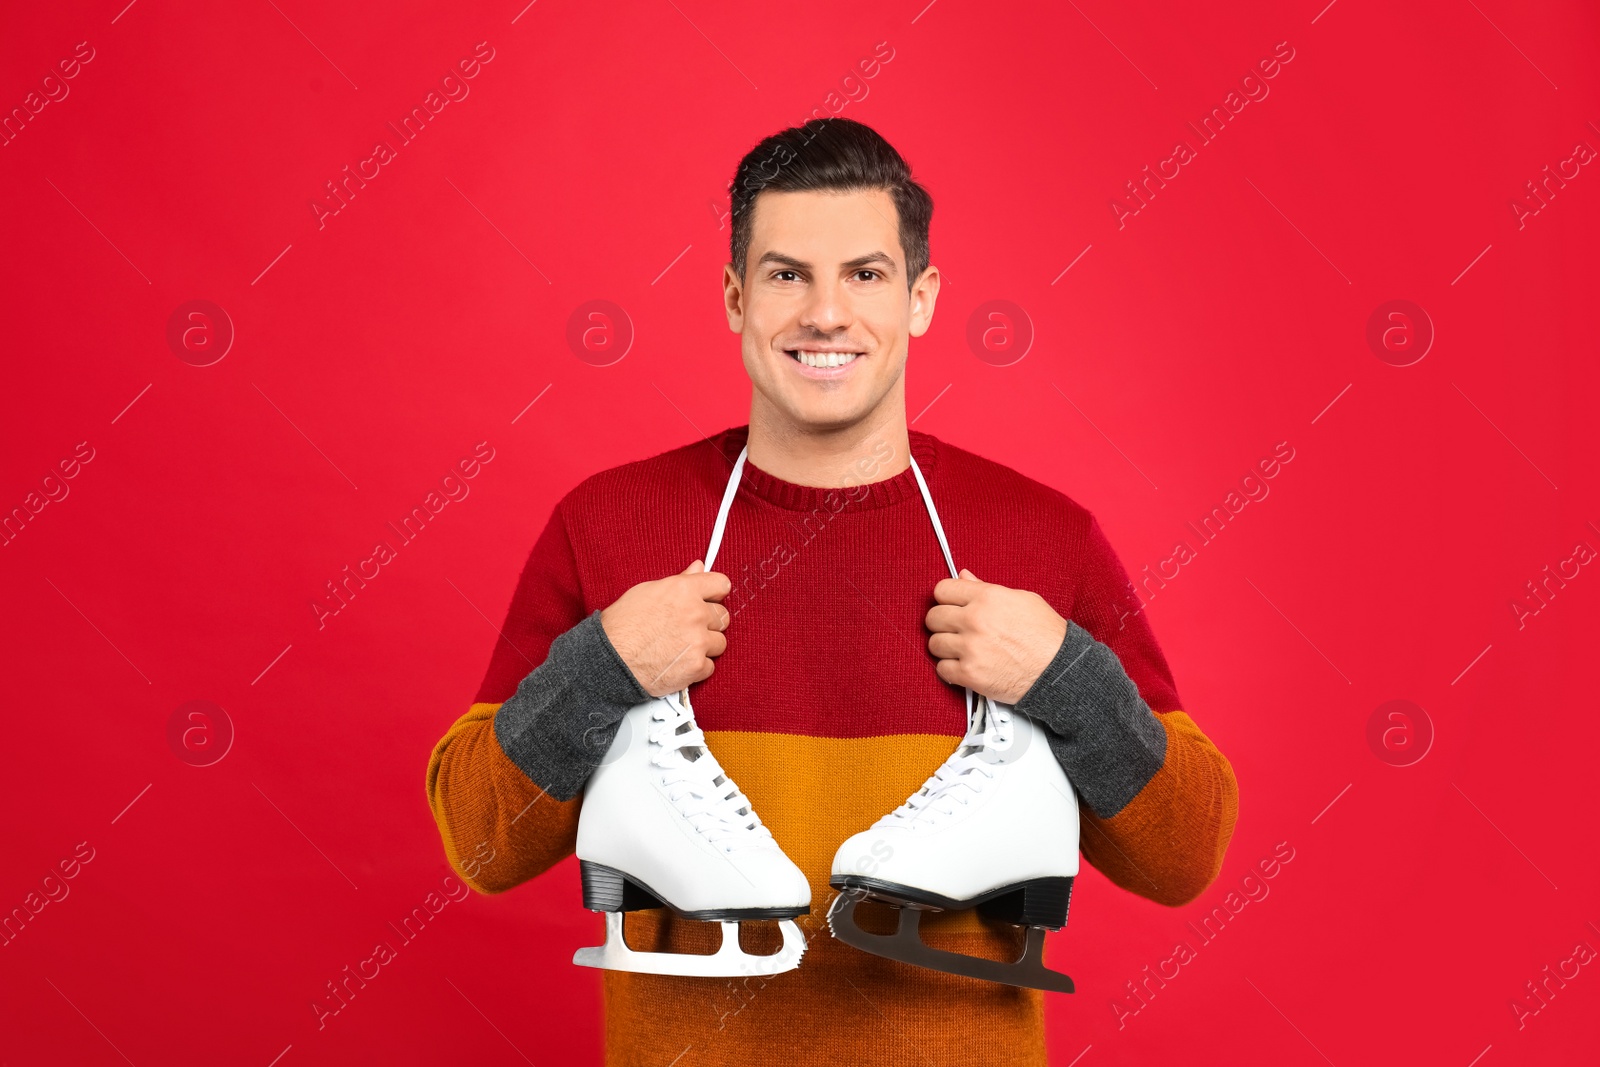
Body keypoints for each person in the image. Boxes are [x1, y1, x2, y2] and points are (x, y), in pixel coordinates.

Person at [426, 116, 1238, 1066]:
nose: (825, 314)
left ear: (921, 298)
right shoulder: (609, 526)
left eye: (865, 274)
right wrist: (602, 667)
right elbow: (480, 845)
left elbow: (1185, 855)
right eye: (785, 275)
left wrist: (1066, 675)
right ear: (735, 298)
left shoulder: (1043, 538)